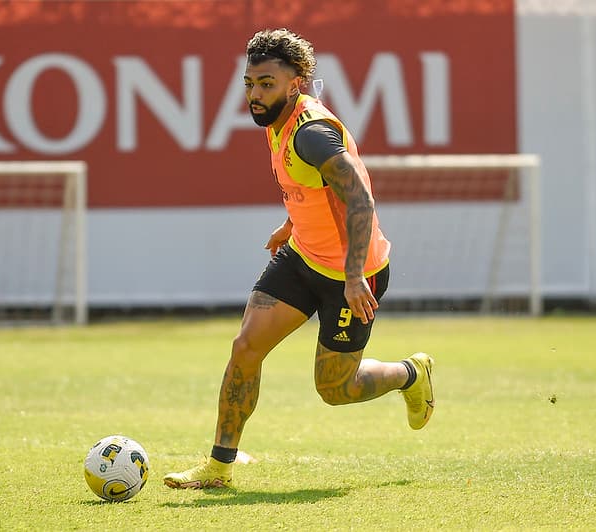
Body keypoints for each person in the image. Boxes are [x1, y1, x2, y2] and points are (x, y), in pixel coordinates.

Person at [163, 28, 434, 489]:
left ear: (296, 84)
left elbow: (361, 199)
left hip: (354, 273)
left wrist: (352, 278)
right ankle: (218, 468)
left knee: (335, 389)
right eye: (250, 83)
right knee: (245, 348)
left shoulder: (311, 132)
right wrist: (292, 224)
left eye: (266, 83)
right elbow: (311, 187)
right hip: (302, 258)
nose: (254, 93)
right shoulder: (276, 122)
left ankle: (411, 373)